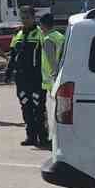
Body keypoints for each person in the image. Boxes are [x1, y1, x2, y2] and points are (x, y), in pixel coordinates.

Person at [5, 4, 45, 147]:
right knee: (26, 107)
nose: (25, 20)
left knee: (38, 107)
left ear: (34, 17)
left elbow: (46, 55)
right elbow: (13, 55)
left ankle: (43, 136)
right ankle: (31, 136)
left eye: (27, 17)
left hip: (36, 78)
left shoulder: (40, 33)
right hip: (21, 78)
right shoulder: (18, 34)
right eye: (23, 18)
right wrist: (8, 72)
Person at [38, 9, 67, 145]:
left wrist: (54, 77)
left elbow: (51, 61)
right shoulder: (59, 36)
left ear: (43, 25)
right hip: (60, 76)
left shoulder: (48, 39)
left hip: (52, 81)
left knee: (54, 112)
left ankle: (55, 138)